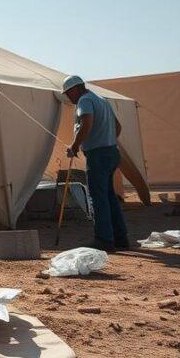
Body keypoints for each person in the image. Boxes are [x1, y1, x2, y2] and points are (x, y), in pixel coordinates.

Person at [63, 75, 128, 252]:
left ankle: (104, 239)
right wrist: (106, 139)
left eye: (68, 93)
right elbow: (118, 127)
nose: (68, 97)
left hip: (98, 155)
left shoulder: (84, 100)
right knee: (109, 196)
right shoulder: (102, 100)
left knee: (98, 198)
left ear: (76, 89)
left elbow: (87, 122)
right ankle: (120, 238)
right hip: (111, 152)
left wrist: (74, 146)